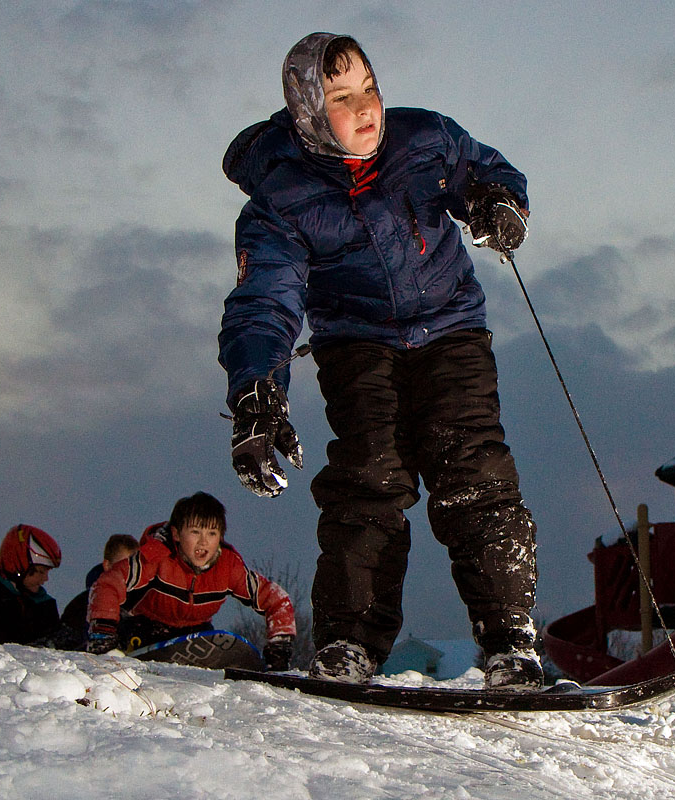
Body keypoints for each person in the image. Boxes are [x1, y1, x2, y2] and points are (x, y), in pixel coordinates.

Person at [218, 33, 540, 689]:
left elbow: (485, 170)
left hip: (450, 328)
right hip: (355, 341)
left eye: (370, 89)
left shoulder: (424, 142)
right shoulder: (283, 198)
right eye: (342, 98)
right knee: (370, 478)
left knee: (474, 468)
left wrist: (497, 201)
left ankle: (510, 642)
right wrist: (257, 391)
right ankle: (348, 645)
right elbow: (265, 300)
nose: (366, 108)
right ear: (308, 112)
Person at [86, 492, 296, 671]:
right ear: (177, 534)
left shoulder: (228, 567)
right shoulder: (156, 557)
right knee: (135, 631)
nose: (203, 541)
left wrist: (280, 645)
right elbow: (107, 584)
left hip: (193, 634)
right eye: (195, 532)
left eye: (212, 534)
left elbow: (275, 599)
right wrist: (103, 631)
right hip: (144, 627)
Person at [60, 534, 140, 650]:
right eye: (121, 566)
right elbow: (64, 641)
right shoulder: (84, 603)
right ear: (107, 565)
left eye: (133, 567)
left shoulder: (141, 600)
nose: (127, 572)